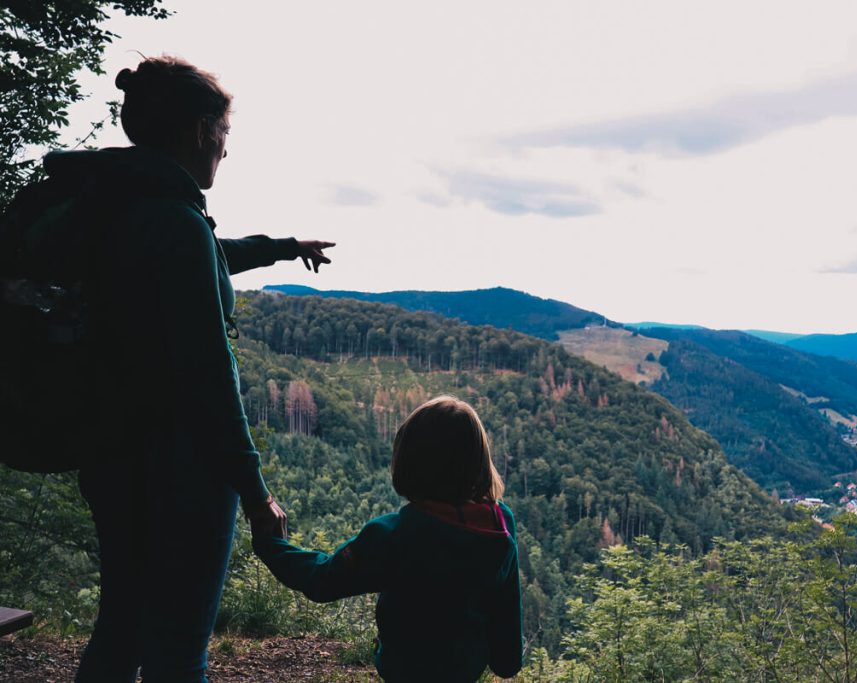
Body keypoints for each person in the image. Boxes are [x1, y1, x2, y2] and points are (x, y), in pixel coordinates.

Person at [53, 56, 333, 682]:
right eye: (225, 137)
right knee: (179, 648)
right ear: (201, 131)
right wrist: (256, 494)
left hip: (109, 448)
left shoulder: (122, 205)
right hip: (180, 464)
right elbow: (209, 379)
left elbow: (208, 253)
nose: (225, 154)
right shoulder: (172, 220)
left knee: (120, 626)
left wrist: (283, 247)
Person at [252, 396, 524, 682]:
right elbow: (507, 653)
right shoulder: (501, 525)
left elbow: (322, 580)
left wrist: (271, 546)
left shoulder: (394, 536)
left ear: (410, 461)